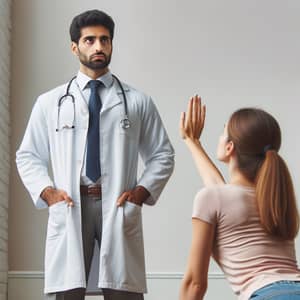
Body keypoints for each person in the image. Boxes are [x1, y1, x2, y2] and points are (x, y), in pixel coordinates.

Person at [16, 9, 174, 300]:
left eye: (105, 39)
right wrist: (47, 192)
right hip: (72, 203)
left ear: (112, 44)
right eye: (89, 40)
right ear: (75, 47)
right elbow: (28, 155)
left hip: (117, 204)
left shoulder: (137, 101)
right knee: (67, 292)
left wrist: (141, 192)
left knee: (122, 292)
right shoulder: (50, 102)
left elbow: (163, 154)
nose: (99, 46)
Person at [179, 96, 300, 300]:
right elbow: (220, 192)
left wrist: (191, 140)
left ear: (230, 147)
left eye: (223, 131)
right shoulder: (274, 198)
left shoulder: (214, 198)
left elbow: (195, 284)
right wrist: (192, 142)